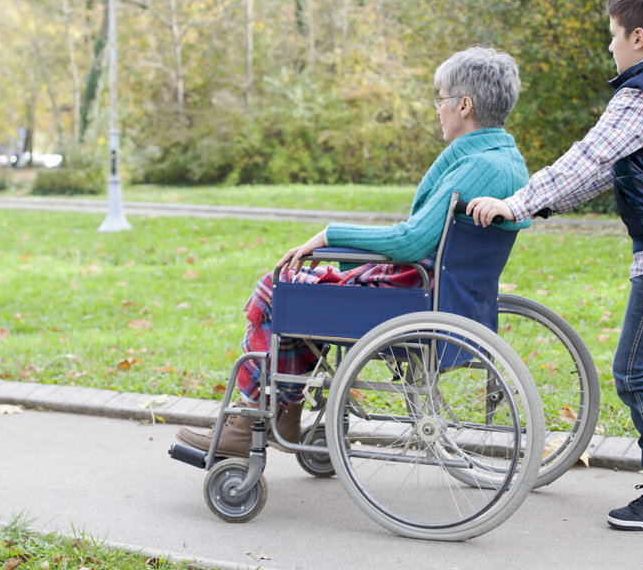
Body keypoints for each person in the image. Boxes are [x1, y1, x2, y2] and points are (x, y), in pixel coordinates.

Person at [177, 45, 531, 457]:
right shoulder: (505, 159)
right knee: (297, 287)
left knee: (278, 287)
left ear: (464, 104)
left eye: (441, 98)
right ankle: (280, 410)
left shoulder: (477, 166)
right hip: (446, 291)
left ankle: (253, 417)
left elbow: (410, 242)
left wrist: (329, 236)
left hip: (414, 293)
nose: (438, 109)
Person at [468, 0, 643, 531]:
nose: (610, 47)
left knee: (635, 373)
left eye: (613, 36)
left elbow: (587, 160)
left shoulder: (640, 97)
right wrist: (539, 207)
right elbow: (610, 170)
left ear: (638, 37)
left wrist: (515, 202)